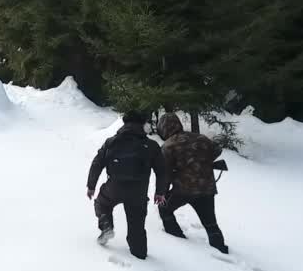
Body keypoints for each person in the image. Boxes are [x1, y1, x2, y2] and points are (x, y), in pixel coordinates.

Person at [86, 111, 169, 260]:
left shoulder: (111, 142)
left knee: (102, 203)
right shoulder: (151, 145)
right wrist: (160, 192)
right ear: (142, 125)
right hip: (138, 192)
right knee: (136, 224)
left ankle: (106, 225)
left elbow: (97, 163)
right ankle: (140, 254)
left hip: (114, 188)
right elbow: (162, 171)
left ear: (124, 124)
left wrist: (91, 186)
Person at [155, 113, 229, 254]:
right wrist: (201, 160)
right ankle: (221, 250)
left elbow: (166, 174)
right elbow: (217, 150)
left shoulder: (168, 146)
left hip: (183, 190)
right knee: (210, 223)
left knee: (164, 209)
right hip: (207, 188)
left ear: (164, 129)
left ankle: (178, 240)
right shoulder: (200, 138)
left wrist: (162, 193)